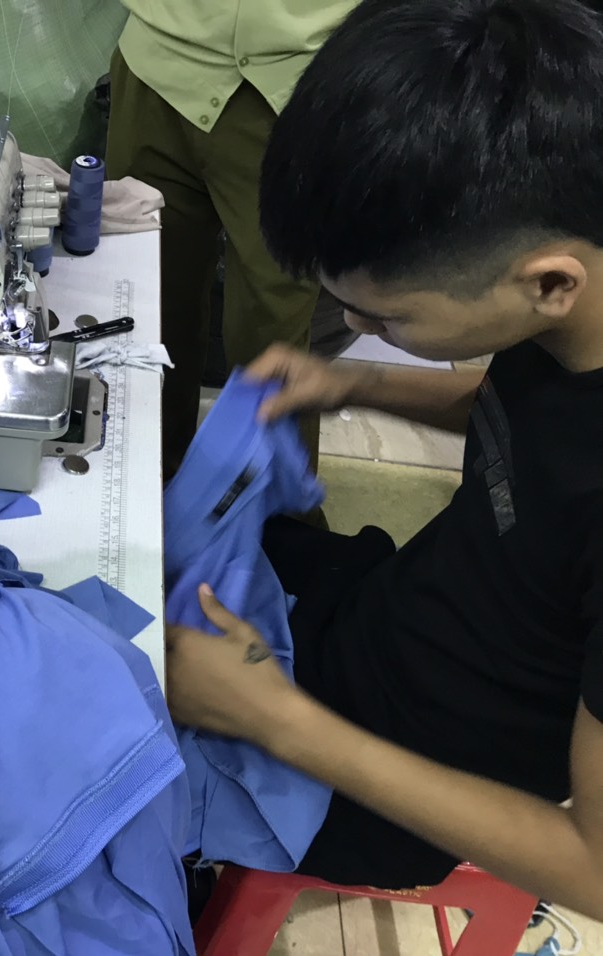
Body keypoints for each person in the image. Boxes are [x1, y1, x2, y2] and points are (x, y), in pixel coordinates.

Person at [165, 0, 603, 919]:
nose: (360, 328)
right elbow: (522, 416)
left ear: (549, 283)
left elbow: (595, 870)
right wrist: (355, 382)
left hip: (401, 784)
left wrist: (272, 718)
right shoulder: (571, 309)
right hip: (386, 619)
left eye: (387, 319)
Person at [105, 0, 357, 477]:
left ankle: (275, 514)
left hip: (296, 84)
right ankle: (143, 489)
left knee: (271, 337)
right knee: (145, 313)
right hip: (157, 61)